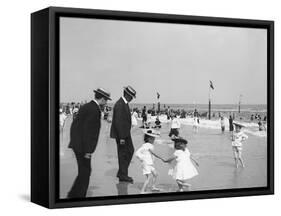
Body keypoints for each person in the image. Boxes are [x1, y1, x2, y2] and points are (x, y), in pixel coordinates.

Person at [67, 88, 111, 198]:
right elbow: (88, 132)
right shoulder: (94, 110)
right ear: (101, 99)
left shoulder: (87, 106)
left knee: (84, 171)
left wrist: (75, 142)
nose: (106, 103)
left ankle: (73, 194)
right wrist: (88, 151)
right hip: (83, 148)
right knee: (85, 172)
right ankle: (78, 196)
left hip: (78, 145)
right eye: (106, 100)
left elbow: (74, 126)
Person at [110, 86, 137, 183]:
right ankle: (123, 175)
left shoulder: (123, 103)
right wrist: (121, 137)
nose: (131, 99)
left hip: (125, 133)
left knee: (129, 151)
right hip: (122, 135)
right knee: (123, 154)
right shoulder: (120, 104)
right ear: (127, 94)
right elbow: (118, 122)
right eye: (131, 97)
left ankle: (122, 172)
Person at [135, 129, 164, 193]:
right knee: (149, 177)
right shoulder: (148, 145)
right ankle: (142, 191)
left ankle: (153, 187)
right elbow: (137, 153)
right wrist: (143, 158)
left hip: (149, 163)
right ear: (148, 139)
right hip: (146, 163)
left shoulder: (147, 145)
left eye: (154, 138)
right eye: (153, 139)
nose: (154, 140)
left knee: (155, 174)